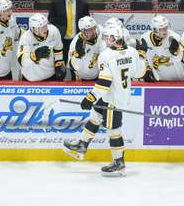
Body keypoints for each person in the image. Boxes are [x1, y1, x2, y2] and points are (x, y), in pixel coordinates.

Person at [63, 24, 147, 177]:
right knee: (95, 115)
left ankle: (119, 162)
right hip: (117, 95)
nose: (105, 41)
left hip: (113, 99)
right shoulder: (133, 52)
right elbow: (140, 72)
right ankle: (82, 144)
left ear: (113, 38)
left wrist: (90, 98)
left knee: (114, 130)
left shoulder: (106, 55)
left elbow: (104, 82)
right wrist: (142, 56)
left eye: (107, 38)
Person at [48, 0, 90, 65]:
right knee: (59, 67)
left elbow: (87, 23)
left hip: (77, 40)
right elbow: (50, 21)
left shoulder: (83, 4)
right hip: (61, 41)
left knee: (76, 68)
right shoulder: (55, 4)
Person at [17, 13, 66, 81]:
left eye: (45, 25)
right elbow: (21, 60)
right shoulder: (26, 37)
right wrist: (35, 55)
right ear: (34, 29)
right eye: (42, 27)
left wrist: (59, 63)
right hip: (31, 78)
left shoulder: (54, 31)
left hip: (50, 75)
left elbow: (58, 49)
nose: (45, 29)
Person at [137, 15, 184, 81]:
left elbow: (179, 58)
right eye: (162, 29)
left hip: (175, 75)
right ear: (154, 29)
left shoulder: (174, 37)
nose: (165, 31)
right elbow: (141, 58)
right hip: (156, 76)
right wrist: (147, 69)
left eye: (166, 27)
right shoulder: (145, 38)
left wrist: (171, 56)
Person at [68, 16, 105, 81]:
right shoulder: (75, 44)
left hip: (99, 74)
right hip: (82, 77)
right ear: (82, 31)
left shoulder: (101, 31)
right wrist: (78, 56)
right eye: (89, 30)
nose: (93, 32)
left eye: (93, 28)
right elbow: (73, 66)